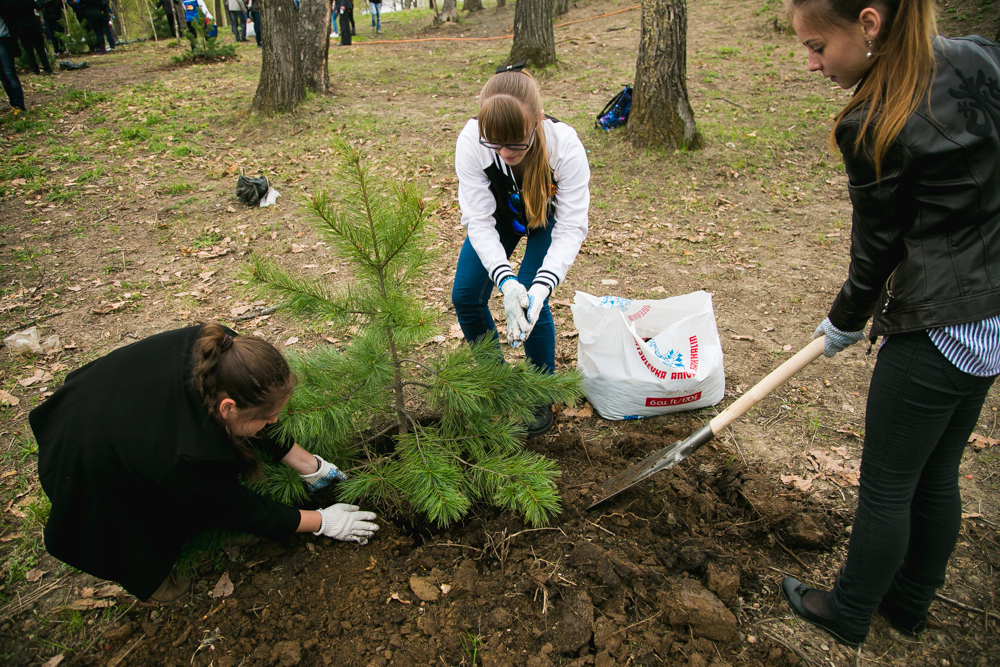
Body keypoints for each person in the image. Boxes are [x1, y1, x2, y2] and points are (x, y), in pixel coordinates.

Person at [780, 0, 1000, 649]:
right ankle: (907, 604)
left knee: (886, 484)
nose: (813, 62)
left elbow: (877, 248)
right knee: (937, 470)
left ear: (869, 24)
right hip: (991, 320)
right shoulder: (979, 55)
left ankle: (847, 609)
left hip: (938, 325)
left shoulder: (874, 120)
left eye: (818, 45)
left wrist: (845, 319)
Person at [30, 323, 379, 604]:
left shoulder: (225, 355)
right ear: (227, 409)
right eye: (268, 417)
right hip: (85, 458)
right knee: (142, 533)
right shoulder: (184, 459)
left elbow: (252, 415)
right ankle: (157, 581)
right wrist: (321, 522)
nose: (275, 422)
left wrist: (307, 463)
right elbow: (238, 509)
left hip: (110, 400)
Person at [451, 62, 591, 437]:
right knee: (465, 294)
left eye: (516, 143)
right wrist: (503, 279)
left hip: (546, 218)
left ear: (537, 121)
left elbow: (572, 225)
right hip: (499, 215)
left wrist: (538, 287)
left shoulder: (565, 146)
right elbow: (478, 220)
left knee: (532, 299)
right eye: (494, 143)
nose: (504, 151)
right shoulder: (471, 142)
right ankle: (496, 384)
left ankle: (539, 391)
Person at [0, 12, 25, 113]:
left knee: (9, 73)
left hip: (3, 41)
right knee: (2, 76)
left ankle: (19, 105)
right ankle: (13, 104)